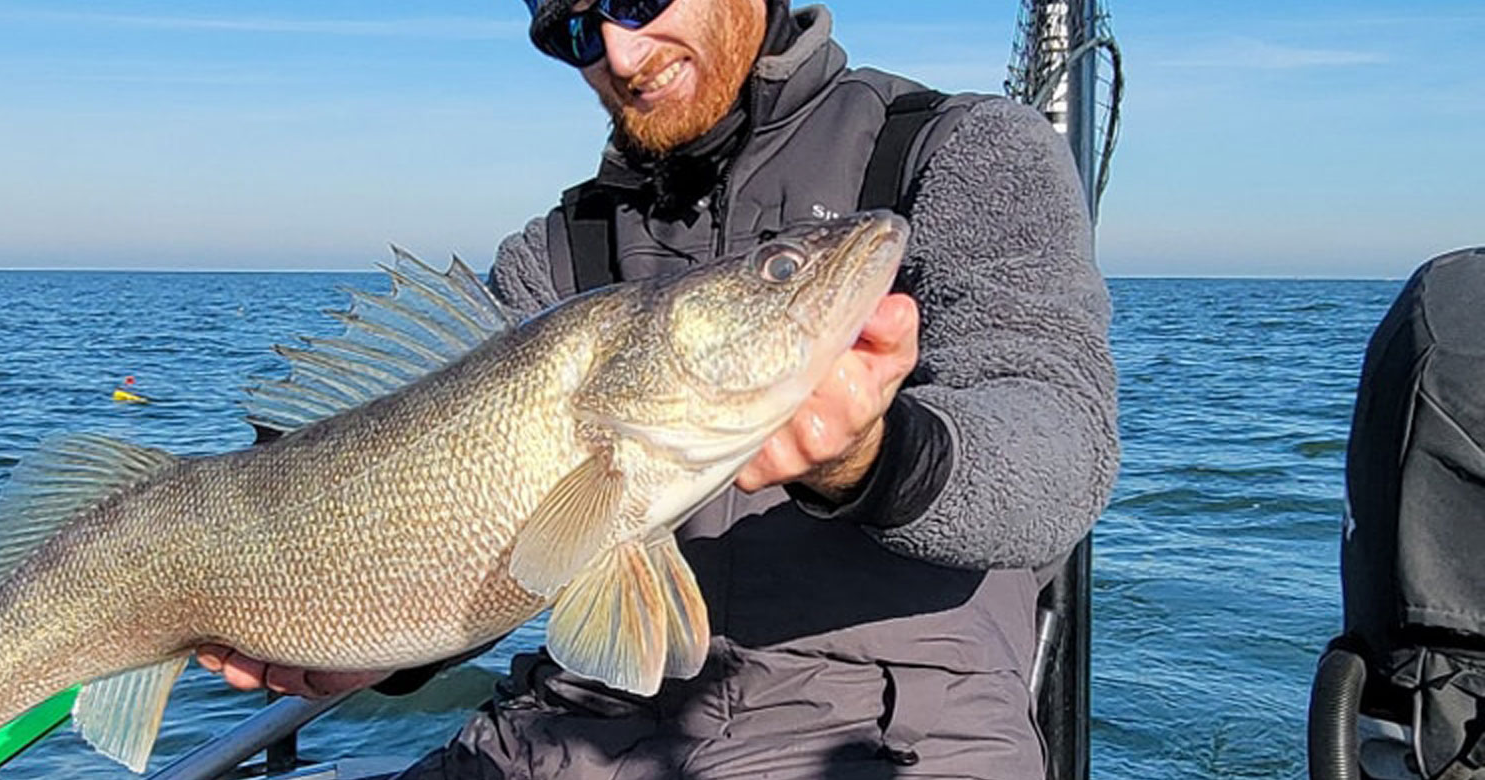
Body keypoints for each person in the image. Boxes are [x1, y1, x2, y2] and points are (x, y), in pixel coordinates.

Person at [199, 0, 1118, 776]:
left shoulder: (957, 153)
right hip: (574, 724)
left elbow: (1061, 451)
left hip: (890, 727)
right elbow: (473, 519)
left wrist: (876, 457)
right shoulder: (556, 252)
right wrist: (376, 648)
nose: (620, 56)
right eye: (573, 33)